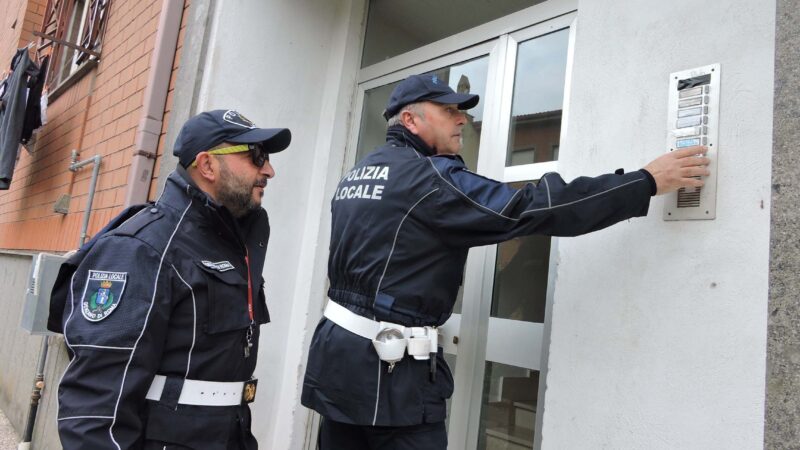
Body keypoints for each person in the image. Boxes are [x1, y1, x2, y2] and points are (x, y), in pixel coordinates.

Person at [301, 74, 710, 449]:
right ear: (410, 120)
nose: (462, 120)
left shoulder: (360, 172)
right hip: (388, 378)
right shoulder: (429, 179)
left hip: (339, 362)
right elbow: (533, 207)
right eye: (449, 112)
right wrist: (645, 181)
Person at [49, 109, 291, 449]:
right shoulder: (144, 247)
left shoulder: (234, 241)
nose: (269, 170)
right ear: (207, 165)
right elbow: (96, 406)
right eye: (255, 156)